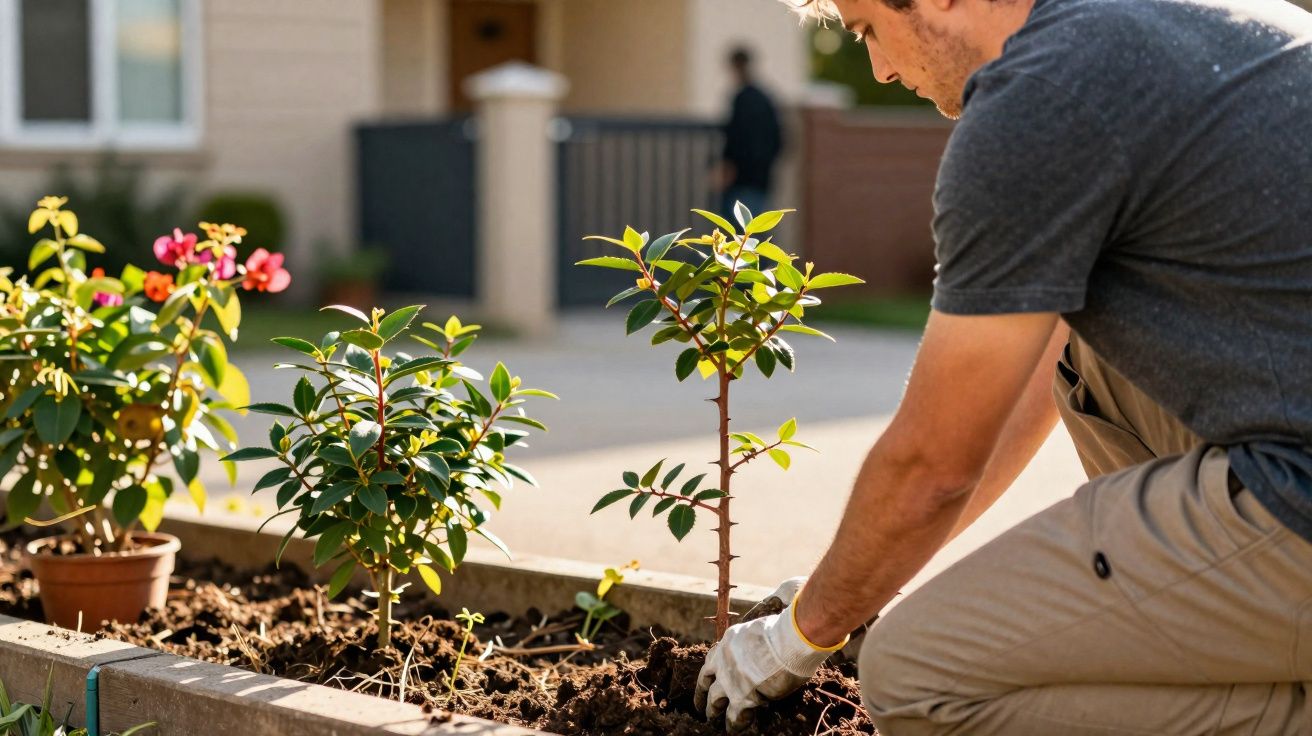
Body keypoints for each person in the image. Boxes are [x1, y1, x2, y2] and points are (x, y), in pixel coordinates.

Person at [693, 0, 1312, 733]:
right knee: (1083, 353)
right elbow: (1020, 387)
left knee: (913, 677)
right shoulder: (1164, 26)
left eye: (868, 31)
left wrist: (801, 634)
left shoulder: (1040, 102)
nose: (880, 68)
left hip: (1295, 491)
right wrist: (856, 585)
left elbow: (933, 464)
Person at [718, 46, 783, 218]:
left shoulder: (743, 100)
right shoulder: (765, 99)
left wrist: (729, 167)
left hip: (741, 181)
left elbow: (735, 139)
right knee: (754, 228)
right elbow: (779, 140)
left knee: (737, 229)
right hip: (760, 180)